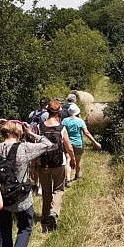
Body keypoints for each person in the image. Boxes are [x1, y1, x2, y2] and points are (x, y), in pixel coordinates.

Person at [0, 120, 57, 247]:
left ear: (4, 133)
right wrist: (31, 133)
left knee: (5, 232)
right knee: (25, 228)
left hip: (2, 197)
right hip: (22, 198)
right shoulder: (24, 148)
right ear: (19, 134)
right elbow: (49, 144)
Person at [38, 99, 76, 231]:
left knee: (46, 191)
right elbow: (69, 147)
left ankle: (44, 216)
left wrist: (33, 166)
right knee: (58, 189)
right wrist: (72, 160)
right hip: (59, 163)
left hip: (44, 164)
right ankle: (53, 212)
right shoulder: (61, 128)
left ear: (47, 111)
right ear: (59, 112)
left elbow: (36, 147)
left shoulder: (40, 127)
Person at [62, 103, 102, 185]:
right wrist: (95, 142)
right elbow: (86, 133)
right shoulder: (80, 121)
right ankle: (77, 174)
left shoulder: (65, 121)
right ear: (77, 112)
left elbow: (61, 132)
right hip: (78, 143)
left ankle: (67, 179)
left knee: (68, 160)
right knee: (77, 161)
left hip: (67, 144)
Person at [28, 97, 50, 194]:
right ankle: (40, 187)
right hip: (41, 141)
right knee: (41, 164)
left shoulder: (32, 113)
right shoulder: (47, 115)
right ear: (47, 105)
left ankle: (36, 183)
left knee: (34, 164)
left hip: (30, 141)